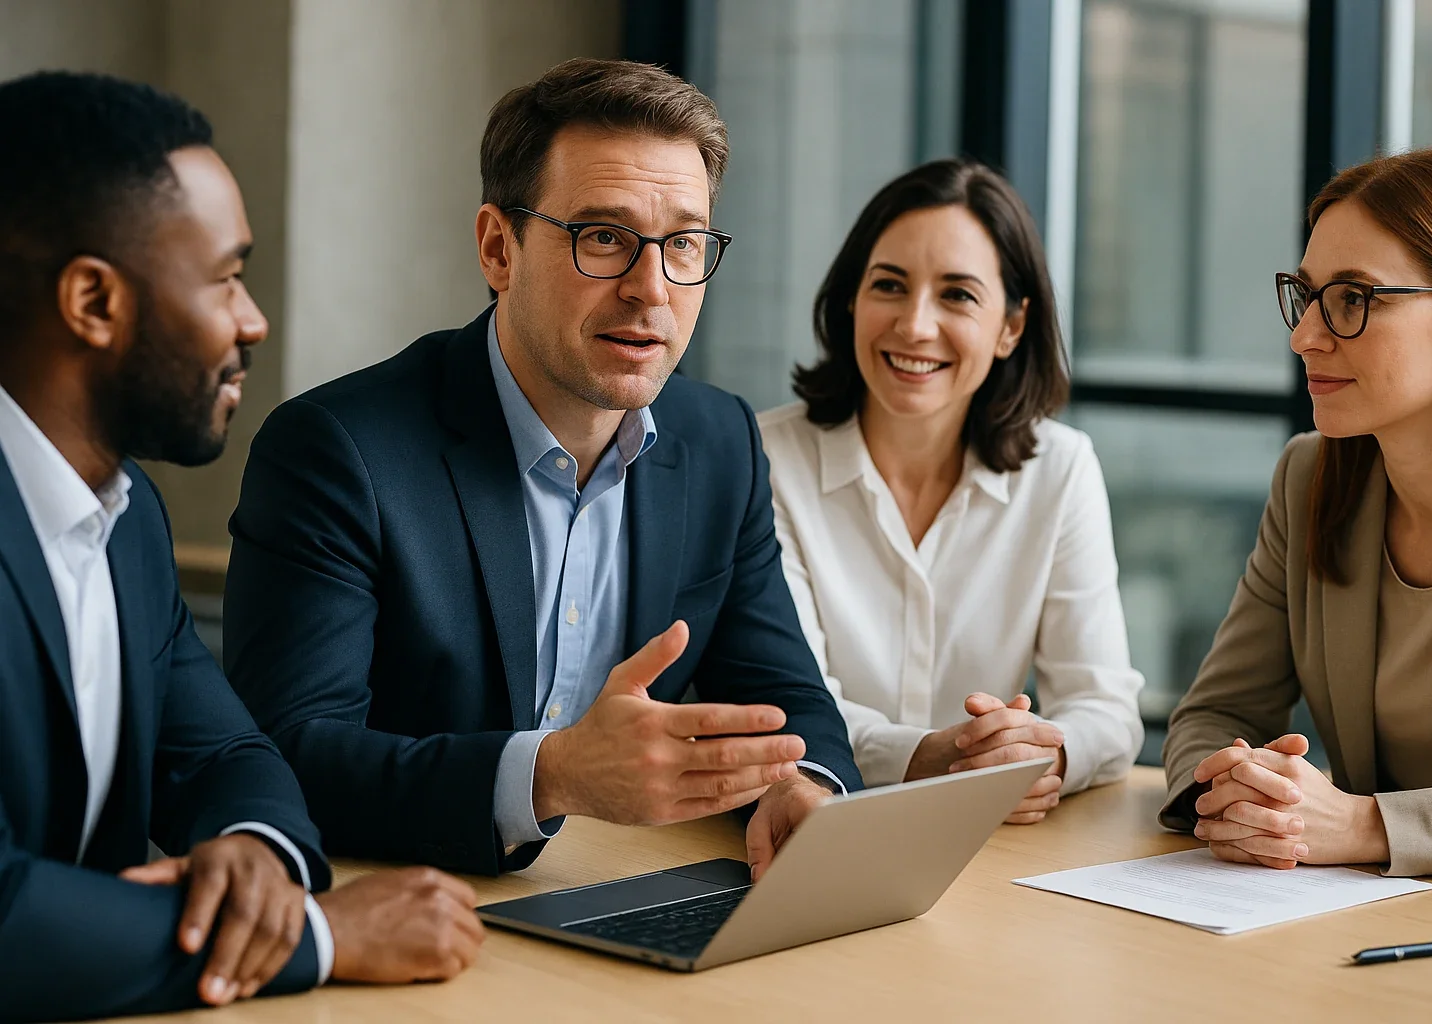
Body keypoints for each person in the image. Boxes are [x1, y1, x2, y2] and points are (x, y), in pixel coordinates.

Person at [222, 58, 861, 882]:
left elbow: (786, 699)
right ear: (499, 247)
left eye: (686, 244)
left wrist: (801, 789)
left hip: (620, 890)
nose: (650, 289)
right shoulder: (337, 450)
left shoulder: (719, 439)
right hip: (409, 905)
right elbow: (287, 752)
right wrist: (551, 776)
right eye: (604, 237)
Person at [0, 72, 484, 1022]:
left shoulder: (125, 514)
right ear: (94, 301)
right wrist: (323, 936)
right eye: (225, 277)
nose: (252, 320)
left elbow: (226, 753)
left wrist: (255, 851)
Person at [1161, 144, 1432, 878]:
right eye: (1308, 296)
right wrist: (1237, 792)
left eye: (1354, 299)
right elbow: (1216, 713)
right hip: (1351, 924)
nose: (1305, 336)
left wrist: (1366, 824)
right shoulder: (1311, 480)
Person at [759, 159, 1144, 820]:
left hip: (988, 844)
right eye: (889, 285)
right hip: (807, 827)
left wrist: (1042, 755)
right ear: (851, 298)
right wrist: (928, 759)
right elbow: (784, 703)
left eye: (957, 295)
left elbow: (1105, 705)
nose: (914, 325)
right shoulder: (765, 459)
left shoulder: (1061, 468)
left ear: (1011, 327)